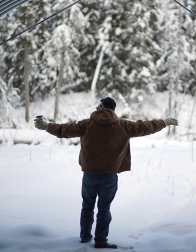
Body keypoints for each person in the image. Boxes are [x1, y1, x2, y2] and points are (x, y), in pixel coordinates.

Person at [35, 97, 178, 249]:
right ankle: (101, 241)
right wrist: (164, 122)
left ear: (100, 107)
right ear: (113, 110)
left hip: (89, 174)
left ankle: (85, 237)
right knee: (104, 208)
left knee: (87, 206)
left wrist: (45, 126)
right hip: (109, 175)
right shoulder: (123, 125)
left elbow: (64, 130)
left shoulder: (87, 124)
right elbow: (145, 126)